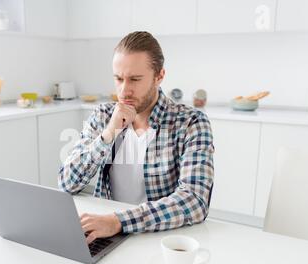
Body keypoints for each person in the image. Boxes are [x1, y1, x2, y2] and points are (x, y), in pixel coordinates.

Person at [58, 31, 214, 244]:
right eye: (119, 79)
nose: (124, 90)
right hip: (107, 234)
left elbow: (194, 201)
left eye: (135, 79)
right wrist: (108, 134)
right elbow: (67, 183)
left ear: (159, 76)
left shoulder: (191, 123)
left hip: (159, 237)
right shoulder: (104, 115)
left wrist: (118, 221)